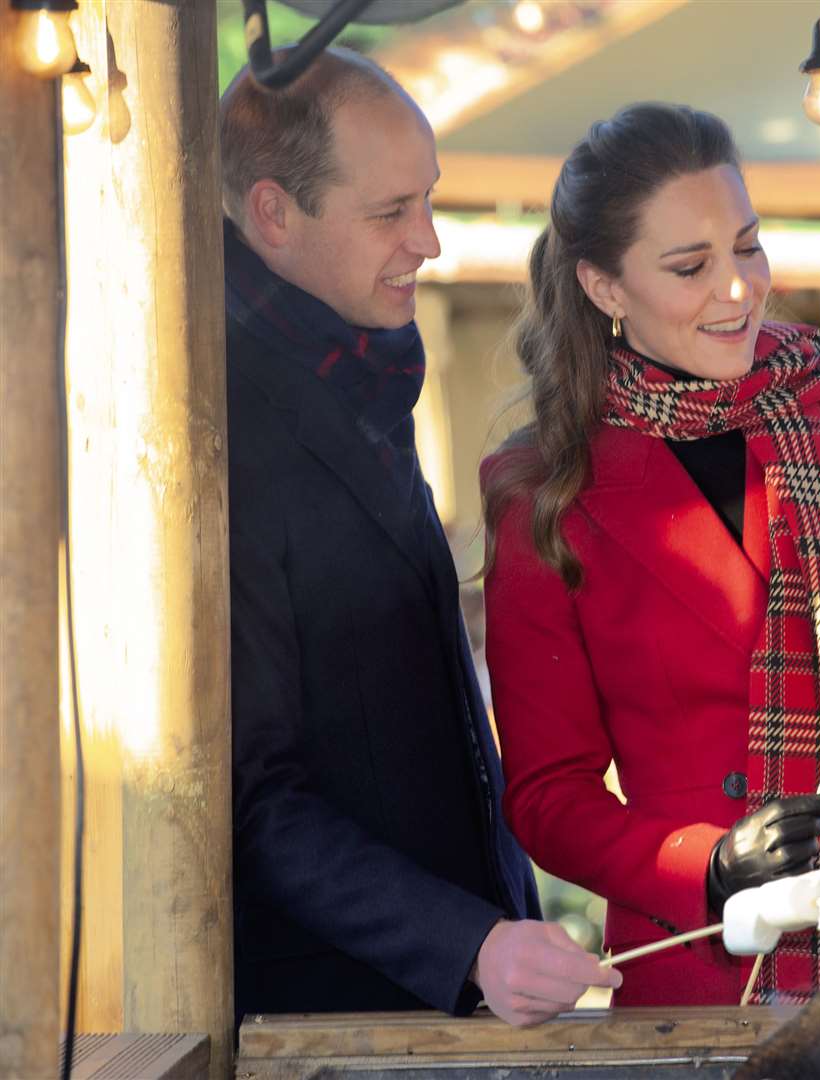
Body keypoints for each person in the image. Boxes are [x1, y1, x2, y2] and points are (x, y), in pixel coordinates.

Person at [480, 103, 820, 1008]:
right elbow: (546, 796)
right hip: (703, 961)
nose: (739, 289)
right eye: (691, 267)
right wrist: (710, 864)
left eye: (749, 246)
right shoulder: (544, 488)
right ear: (604, 287)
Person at [221, 48, 619, 1027]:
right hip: (332, 1021)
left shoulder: (350, 352)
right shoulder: (213, 426)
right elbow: (250, 798)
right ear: (273, 214)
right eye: (391, 211)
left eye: (428, 198)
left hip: (451, 994)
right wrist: (466, 942)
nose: (430, 240)